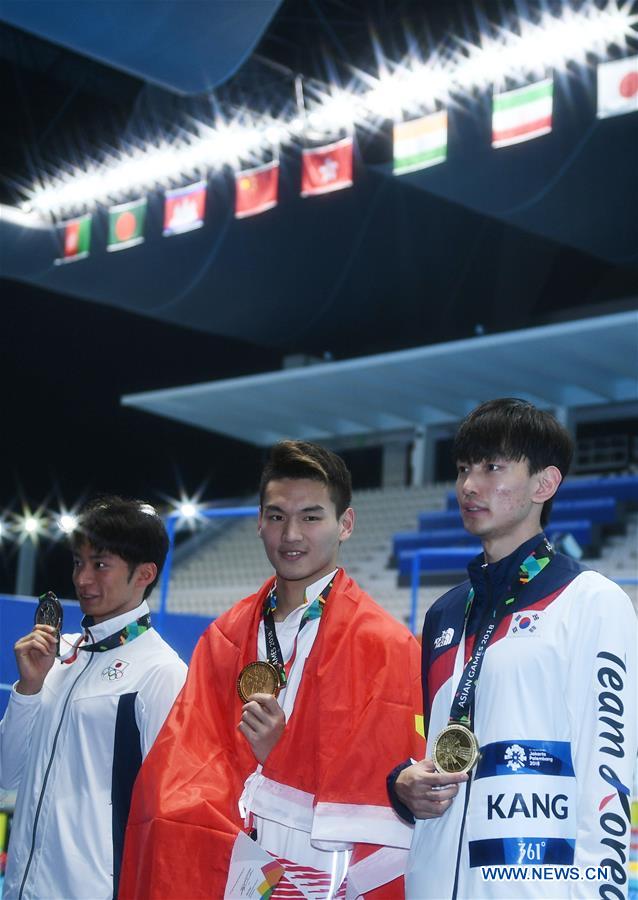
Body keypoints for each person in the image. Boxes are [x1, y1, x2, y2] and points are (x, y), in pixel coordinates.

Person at [119, 440, 424, 899]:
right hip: (230, 864)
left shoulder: (387, 644)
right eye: (277, 516)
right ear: (260, 521)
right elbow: (182, 767)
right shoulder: (225, 636)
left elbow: (389, 787)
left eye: (311, 517)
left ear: (346, 524)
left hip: (326, 871)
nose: (292, 535)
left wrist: (285, 753)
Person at [388, 398, 638, 899]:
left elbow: (606, 775)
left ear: (544, 484)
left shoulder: (591, 601)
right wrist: (404, 785)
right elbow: (438, 746)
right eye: (463, 468)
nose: (469, 485)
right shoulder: (443, 614)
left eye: (492, 467)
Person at [0, 496, 187, 900]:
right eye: (77, 562)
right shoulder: (56, 654)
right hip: (18, 888)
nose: (83, 579)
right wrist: (28, 690)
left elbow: (172, 815)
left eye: (100, 564)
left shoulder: (161, 673)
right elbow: (5, 774)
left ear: (144, 574)